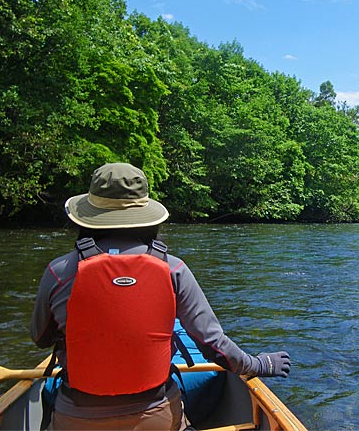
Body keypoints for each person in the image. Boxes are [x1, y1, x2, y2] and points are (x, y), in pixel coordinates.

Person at [31, 162, 291, 430]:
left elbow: (40, 338)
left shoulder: (59, 271)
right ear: (146, 214)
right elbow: (213, 344)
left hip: (76, 418)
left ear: (88, 215)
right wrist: (256, 364)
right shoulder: (174, 268)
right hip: (156, 416)